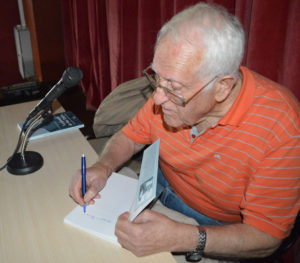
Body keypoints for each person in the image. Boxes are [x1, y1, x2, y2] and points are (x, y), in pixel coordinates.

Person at [69, 2, 300, 261]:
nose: (156, 98)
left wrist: (183, 237)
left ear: (222, 87)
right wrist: (104, 166)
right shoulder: (167, 95)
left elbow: (266, 238)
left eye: (173, 87)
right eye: (157, 78)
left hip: (214, 228)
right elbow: (130, 137)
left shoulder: (281, 127)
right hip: (157, 189)